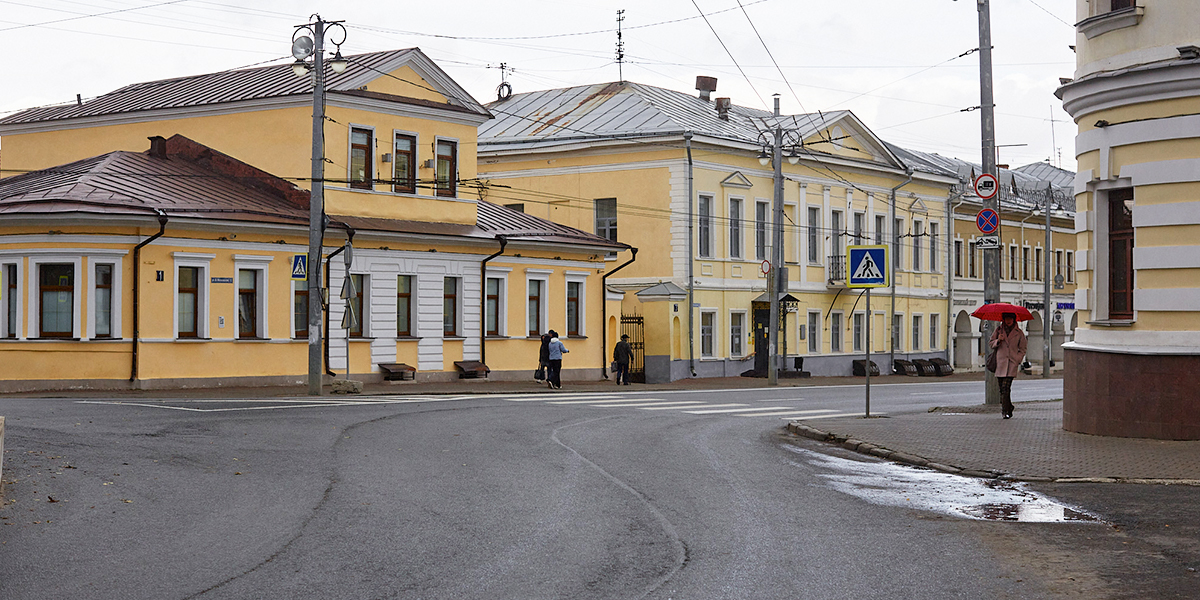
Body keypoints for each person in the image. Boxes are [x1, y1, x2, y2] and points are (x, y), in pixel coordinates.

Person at [989, 312, 1027, 419]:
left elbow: (1023, 348)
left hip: (1011, 363)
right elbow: (991, 343)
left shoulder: (1019, 333)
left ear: (1014, 320)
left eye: (1010, 319)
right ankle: (1009, 406)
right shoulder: (998, 331)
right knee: (1002, 389)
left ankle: (1005, 411)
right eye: (1006, 319)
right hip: (1000, 363)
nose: (1008, 321)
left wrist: (1018, 359)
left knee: (1006, 388)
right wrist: (998, 340)